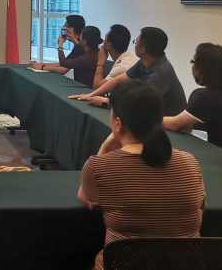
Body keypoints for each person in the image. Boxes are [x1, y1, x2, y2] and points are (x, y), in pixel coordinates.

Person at [78, 80, 206, 270]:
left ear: (118, 123)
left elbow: (86, 199)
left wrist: (104, 150)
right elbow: (199, 209)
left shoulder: (99, 167)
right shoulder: (190, 162)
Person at [70, 27, 187, 116]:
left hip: (171, 124)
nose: (134, 45)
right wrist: (91, 95)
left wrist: (106, 101)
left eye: (136, 42)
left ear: (143, 50)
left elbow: (141, 103)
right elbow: (120, 79)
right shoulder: (144, 61)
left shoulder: (160, 72)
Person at [162, 43, 222, 149]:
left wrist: (149, 120)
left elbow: (175, 124)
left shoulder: (209, 97)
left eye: (193, 62)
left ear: (202, 70)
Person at [92, 25, 139, 90]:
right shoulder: (135, 55)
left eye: (105, 39)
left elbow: (97, 88)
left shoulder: (122, 67)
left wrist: (100, 62)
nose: (103, 41)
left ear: (109, 45)